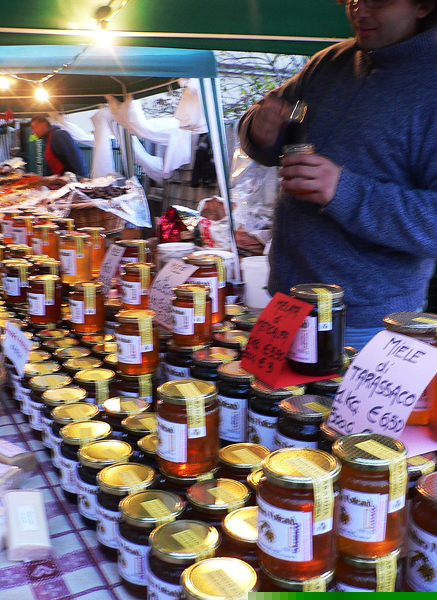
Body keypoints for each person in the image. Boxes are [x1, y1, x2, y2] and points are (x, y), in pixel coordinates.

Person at [239, 0, 437, 350]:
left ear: (423, 5)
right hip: (285, 299)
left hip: (368, 322)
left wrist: (343, 190)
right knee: (264, 404)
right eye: (353, 0)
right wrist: (260, 130)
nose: (360, 12)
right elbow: (284, 119)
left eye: (378, 1)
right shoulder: (328, 63)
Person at [30, 114, 88, 180]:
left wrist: (82, 180)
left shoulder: (59, 135)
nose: (33, 131)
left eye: (35, 127)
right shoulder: (47, 140)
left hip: (70, 184)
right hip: (57, 184)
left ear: (45, 124)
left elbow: (76, 159)